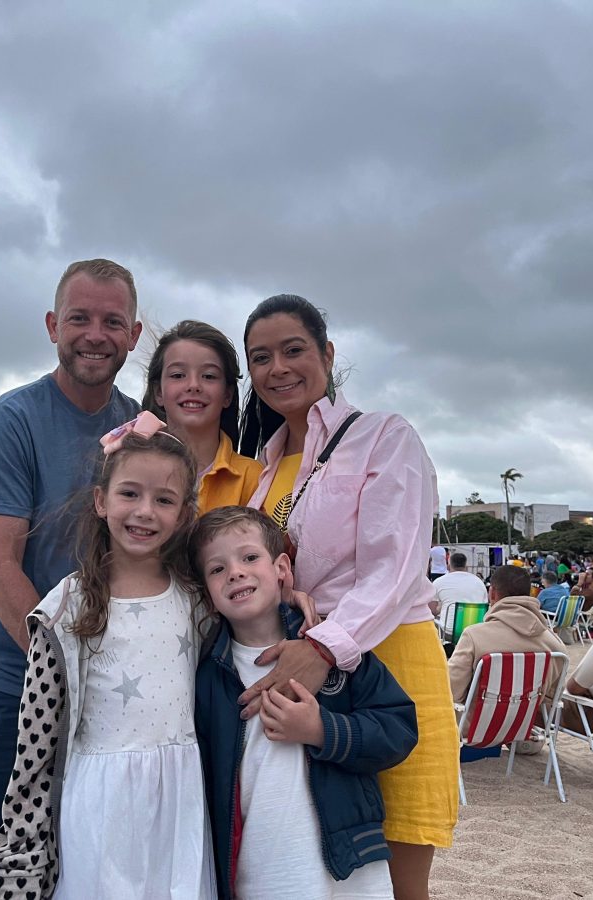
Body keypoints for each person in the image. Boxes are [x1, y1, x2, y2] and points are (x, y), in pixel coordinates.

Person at [0, 258, 143, 900]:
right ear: (52, 325)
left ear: (132, 336)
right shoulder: (10, 420)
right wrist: (67, 671)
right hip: (11, 680)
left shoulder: (142, 428)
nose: (95, 334)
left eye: (112, 321)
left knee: (80, 865)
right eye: (79, 318)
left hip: (111, 687)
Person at [237, 294, 457, 899]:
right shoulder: (266, 463)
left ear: (327, 355)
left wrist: (325, 647)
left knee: (400, 873)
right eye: (261, 358)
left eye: (293, 350)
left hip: (388, 663)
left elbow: (396, 567)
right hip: (308, 674)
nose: (278, 368)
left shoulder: (385, 437)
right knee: (328, 863)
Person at [0, 429, 215, 898]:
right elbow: (36, 733)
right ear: (100, 500)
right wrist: (23, 838)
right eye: (129, 493)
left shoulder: (198, 600)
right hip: (98, 803)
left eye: (165, 499)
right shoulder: (66, 606)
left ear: (185, 514)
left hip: (181, 801)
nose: (144, 511)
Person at [192, 506, 417, 899]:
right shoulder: (207, 675)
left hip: (348, 868)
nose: (235, 572)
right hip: (259, 871)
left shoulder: (335, 649)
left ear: (281, 567)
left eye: (249, 557)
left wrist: (321, 730)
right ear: (206, 594)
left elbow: (398, 729)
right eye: (217, 569)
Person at [141, 319, 263, 514]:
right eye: (178, 375)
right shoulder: (131, 463)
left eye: (209, 376)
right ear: (158, 392)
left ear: (227, 395)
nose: (193, 385)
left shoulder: (254, 478)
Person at [447, 564, 566, 706]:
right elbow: (553, 696)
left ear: (492, 593)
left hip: (475, 725)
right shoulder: (554, 645)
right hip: (525, 725)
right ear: (529, 594)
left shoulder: (474, 636)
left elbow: (452, 692)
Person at [430, 551, 487, 629]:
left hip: (448, 633)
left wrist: (441, 608)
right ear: (466, 567)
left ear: (448, 566)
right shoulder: (479, 582)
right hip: (474, 632)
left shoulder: (438, 582)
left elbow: (432, 611)